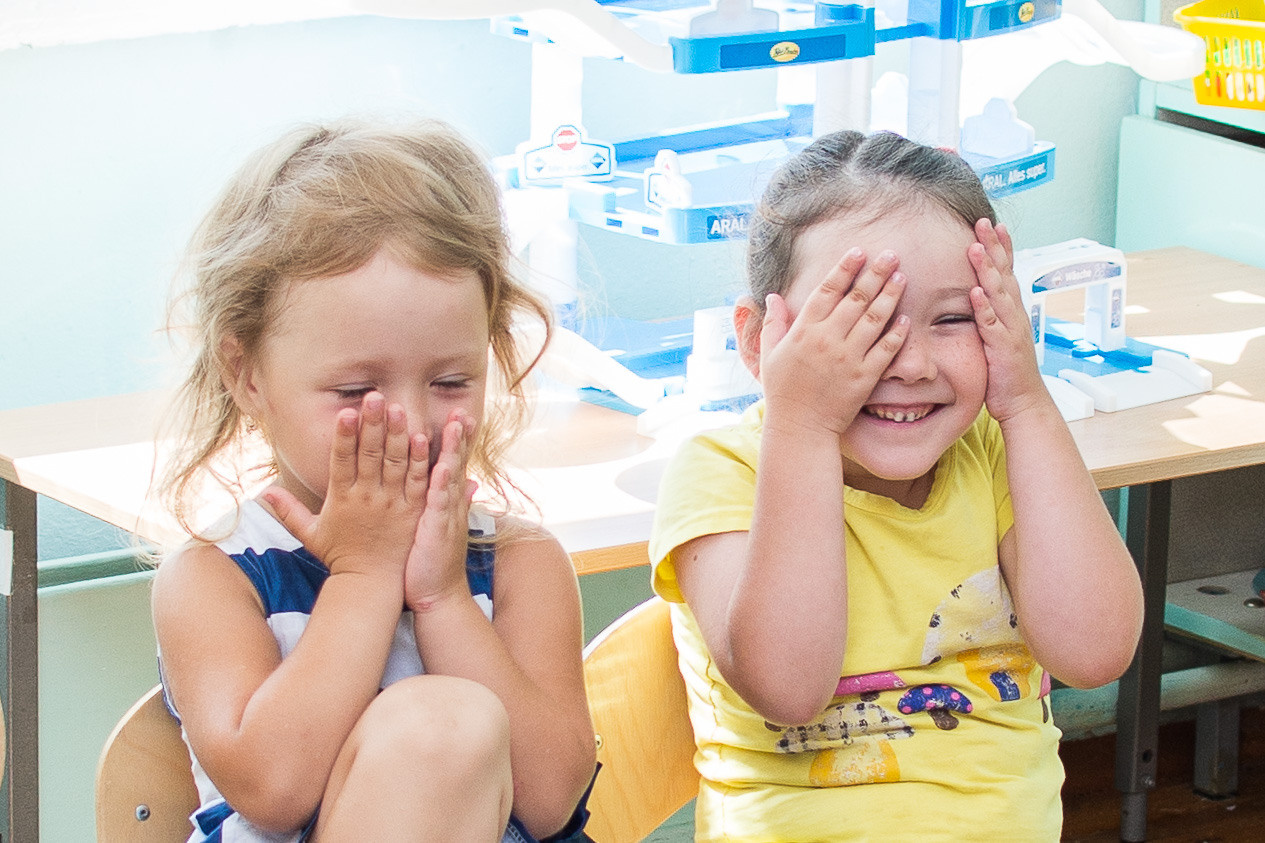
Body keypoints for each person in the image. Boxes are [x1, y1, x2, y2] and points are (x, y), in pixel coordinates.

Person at [648, 130, 1144, 840]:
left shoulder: (998, 453)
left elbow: (1094, 652)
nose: (907, 363)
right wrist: (805, 426)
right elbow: (787, 688)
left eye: (952, 319)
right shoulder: (723, 470)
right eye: (858, 322)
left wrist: (1026, 401)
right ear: (759, 341)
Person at [152, 119, 597, 843]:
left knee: (448, 723)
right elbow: (273, 787)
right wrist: (362, 577)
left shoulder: (518, 561)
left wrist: (443, 597)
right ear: (246, 374)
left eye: (452, 380)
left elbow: (548, 800)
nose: (413, 426)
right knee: (437, 725)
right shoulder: (215, 576)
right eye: (358, 391)